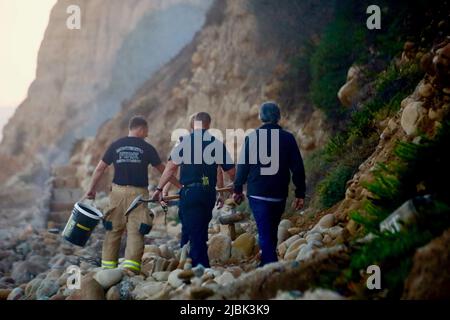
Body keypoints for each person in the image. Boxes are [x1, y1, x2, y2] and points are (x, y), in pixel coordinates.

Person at [84, 115, 180, 274]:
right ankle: (131, 270)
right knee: (137, 231)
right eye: (146, 131)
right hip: (139, 194)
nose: (147, 135)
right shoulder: (147, 148)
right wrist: (179, 185)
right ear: (141, 129)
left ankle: (108, 271)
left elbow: (100, 168)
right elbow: (164, 170)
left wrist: (91, 189)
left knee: (113, 229)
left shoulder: (115, 145)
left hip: (117, 193)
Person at [151, 112, 236, 267]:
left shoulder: (184, 142)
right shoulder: (216, 144)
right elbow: (229, 171)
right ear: (209, 124)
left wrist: (159, 188)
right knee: (200, 228)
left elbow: (170, 169)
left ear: (193, 125)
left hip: (189, 193)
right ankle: (189, 260)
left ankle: (199, 267)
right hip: (208, 193)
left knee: (194, 230)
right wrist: (231, 188)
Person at [232, 102, 306, 266]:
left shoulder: (251, 138)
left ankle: (270, 267)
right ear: (278, 117)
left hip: (257, 192)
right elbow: (298, 168)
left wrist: (237, 189)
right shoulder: (288, 138)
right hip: (279, 193)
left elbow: (243, 167)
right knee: (270, 229)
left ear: (260, 117)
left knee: (266, 231)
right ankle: (268, 261)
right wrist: (300, 193)